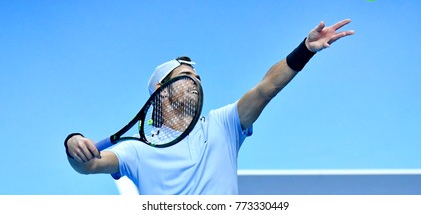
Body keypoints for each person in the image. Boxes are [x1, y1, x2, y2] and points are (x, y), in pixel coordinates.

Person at [64, 19, 354, 194]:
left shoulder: (223, 125)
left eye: (198, 78)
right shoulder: (137, 149)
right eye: (185, 77)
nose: (195, 82)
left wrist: (305, 49)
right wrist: (73, 143)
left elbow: (267, 88)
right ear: (160, 92)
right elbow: (89, 165)